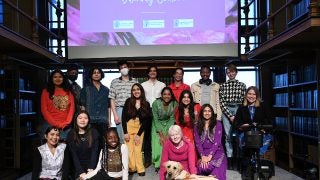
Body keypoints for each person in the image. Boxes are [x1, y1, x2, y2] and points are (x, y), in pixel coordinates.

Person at [235, 86, 272, 178]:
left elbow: (271, 121)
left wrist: (264, 128)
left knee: (261, 141)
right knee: (244, 141)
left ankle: (258, 164)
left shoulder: (263, 106)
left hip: (260, 131)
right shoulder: (241, 107)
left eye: (254, 94)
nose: (251, 96)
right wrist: (242, 126)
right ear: (246, 95)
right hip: (246, 132)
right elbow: (236, 123)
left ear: (257, 96)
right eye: (249, 94)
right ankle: (248, 167)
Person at [219, 64, 246, 169]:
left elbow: (244, 101)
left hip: (239, 109)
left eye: (233, 71)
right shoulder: (223, 86)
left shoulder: (242, 85)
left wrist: (237, 115)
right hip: (226, 111)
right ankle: (230, 160)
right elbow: (222, 103)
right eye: (229, 72)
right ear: (226, 73)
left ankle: (239, 160)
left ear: (236, 72)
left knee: (240, 135)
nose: (231, 73)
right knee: (228, 136)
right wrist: (230, 116)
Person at [122, 83, 151, 176]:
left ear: (141, 91)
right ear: (132, 92)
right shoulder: (128, 101)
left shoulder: (146, 103)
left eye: (138, 89)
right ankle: (132, 168)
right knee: (129, 150)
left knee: (138, 149)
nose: (136, 91)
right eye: (134, 90)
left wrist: (139, 134)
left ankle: (140, 168)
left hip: (140, 128)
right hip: (129, 126)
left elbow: (146, 121)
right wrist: (125, 132)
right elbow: (123, 117)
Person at [194, 104, 227, 180]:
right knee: (203, 168)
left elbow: (217, 142)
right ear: (202, 113)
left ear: (212, 113)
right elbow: (197, 143)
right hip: (203, 153)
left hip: (217, 152)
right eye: (205, 111)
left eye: (209, 111)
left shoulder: (218, 124)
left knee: (215, 173)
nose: (207, 113)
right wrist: (202, 156)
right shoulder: (196, 125)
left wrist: (210, 156)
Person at [141, 65, 165, 167]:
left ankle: (160, 159)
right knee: (146, 136)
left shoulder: (162, 84)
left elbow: (164, 99)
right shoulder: (143, 85)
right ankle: (147, 159)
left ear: (156, 72)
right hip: (146, 111)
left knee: (158, 135)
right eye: (150, 71)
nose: (152, 72)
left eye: (154, 71)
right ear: (148, 73)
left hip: (158, 112)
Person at [41, 69, 75, 140]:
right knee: (51, 149)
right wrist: (56, 124)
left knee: (64, 149)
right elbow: (44, 110)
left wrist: (67, 123)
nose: (58, 79)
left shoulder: (68, 91)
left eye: (60, 77)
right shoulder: (45, 91)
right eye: (55, 77)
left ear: (63, 78)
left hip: (66, 126)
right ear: (51, 79)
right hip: (50, 125)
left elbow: (72, 109)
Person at [109, 61, 138, 143]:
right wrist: (115, 115)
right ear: (119, 70)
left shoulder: (135, 81)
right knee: (122, 136)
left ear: (128, 68)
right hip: (120, 110)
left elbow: (138, 97)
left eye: (125, 67)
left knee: (132, 134)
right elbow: (112, 99)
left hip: (133, 109)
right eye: (121, 68)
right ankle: (123, 155)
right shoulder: (114, 82)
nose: (123, 69)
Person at [67, 110, 100, 179]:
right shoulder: (71, 134)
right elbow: (73, 155)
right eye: (80, 118)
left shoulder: (94, 132)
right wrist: (80, 171)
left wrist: (91, 168)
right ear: (76, 119)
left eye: (85, 118)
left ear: (88, 120)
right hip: (77, 167)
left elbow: (95, 152)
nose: (83, 120)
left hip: (92, 167)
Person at [151, 87, 177, 172]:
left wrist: (167, 134)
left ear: (171, 95)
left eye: (169, 94)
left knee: (167, 143)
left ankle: (166, 164)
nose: (167, 96)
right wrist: (161, 135)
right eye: (164, 94)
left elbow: (172, 118)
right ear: (161, 95)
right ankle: (157, 163)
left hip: (169, 125)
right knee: (158, 144)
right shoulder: (155, 103)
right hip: (157, 125)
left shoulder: (174, 103)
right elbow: (155, 119)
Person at [80, 67, 110, 137]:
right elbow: (83, 106)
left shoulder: (106, 90)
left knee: (102, 142)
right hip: (90, 120)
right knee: (91, 142)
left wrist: (109, 121)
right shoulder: (85, 89)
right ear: (91, 75)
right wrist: (83, 120)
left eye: (98, 73)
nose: (96, 74)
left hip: (103, 120)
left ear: (101, 75)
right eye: (94, 73)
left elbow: (108, 106)